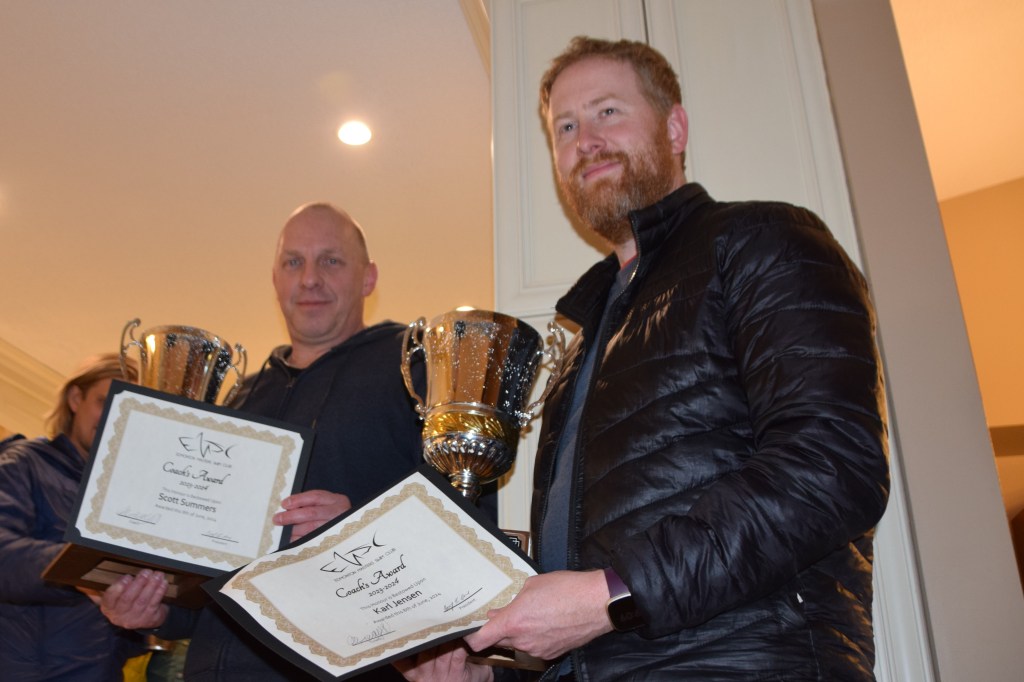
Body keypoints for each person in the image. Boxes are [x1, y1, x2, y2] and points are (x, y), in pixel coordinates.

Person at [397, 36, 890, 681]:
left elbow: (832, 467)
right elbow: (583, 600)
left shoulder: (762, 239)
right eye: (565, 128)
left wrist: (612, 595)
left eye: (607, 112)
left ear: (674, 128)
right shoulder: (583, 340)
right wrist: (497, 663)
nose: (586, 141)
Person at [100, 203, 439, 681]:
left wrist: (358, 527)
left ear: (368, 278)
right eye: (293, 262)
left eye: (331, 260)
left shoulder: (415, 369)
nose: (310, 279)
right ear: (275, 279)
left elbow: (466, 521)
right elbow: (211, 572)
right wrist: (157, 611)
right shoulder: (241, 396)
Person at [0, 353, 146, 681]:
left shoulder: (122, 495)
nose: (114, 419)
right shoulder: (24, 463)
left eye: (128, 411)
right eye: (104, 402)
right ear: (76, 398)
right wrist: (81, 565)